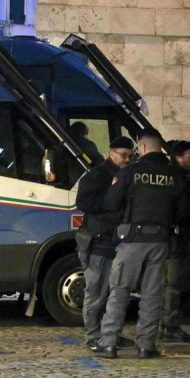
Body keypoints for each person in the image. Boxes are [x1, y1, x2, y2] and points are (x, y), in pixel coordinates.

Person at [95, 129, 190, 359]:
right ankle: (146, 346)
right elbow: (185, 211)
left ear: (143, 148)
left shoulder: (131, 172)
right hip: (160, 240)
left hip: (131, 240)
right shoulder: (174, 176)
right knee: (152, 294)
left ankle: (109, 343)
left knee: (119, 290)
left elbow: (110, 202)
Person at [74, 136, 134, 350]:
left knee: (115, 294)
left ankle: (110, 335)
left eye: (130, 155)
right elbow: (83, 202)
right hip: (98, 241)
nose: (127, 159)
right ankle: (93, 337)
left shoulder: (127, 175)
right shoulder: (97, 176)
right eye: (123, 155)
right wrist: (111, 206)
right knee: (96, 293)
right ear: (112, 153)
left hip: (117, 241)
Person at [161, 140, 190, 343]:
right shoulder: (176, 178)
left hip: (185, 235)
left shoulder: (189, 177)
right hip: (177, 236)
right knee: (173, 283)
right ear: (178, 158)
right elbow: (184, 208)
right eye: (189, 156)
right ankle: (169, 324)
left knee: (175, 282)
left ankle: (167, 323)